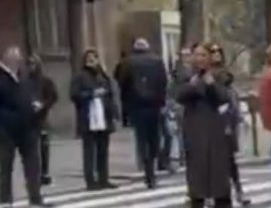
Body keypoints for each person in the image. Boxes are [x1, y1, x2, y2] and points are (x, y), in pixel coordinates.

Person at [175, 44, 234, 208]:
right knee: (196, 167)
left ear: (209, 58)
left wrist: (210, 85)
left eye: (203, 55)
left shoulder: (219, 75)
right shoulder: (186, 76)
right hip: (193, 124)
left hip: (215, 124)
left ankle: (222, 205)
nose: (199, 58)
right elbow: (179, 95)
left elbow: (223, 97)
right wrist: (193, 86)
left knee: (218, 166)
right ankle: (196, 206)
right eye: (197, 55)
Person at [0, 46, 51, 208]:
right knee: (5, 165)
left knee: (33, 163)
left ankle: (35, 197)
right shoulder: (2, 77)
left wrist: (34, 106)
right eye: (15, 57)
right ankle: (4, 201)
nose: (19, 60)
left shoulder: (22, 76)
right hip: (7, 129)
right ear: (6, 58)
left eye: (19, 57)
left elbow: (27, 95)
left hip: (28, 126)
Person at [123, 37, 168, 189]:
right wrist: (162, 102)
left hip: (137, 106)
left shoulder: (128, 62)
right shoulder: (157, 61)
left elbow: (123, 83)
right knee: (154, 137)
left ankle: (147, 167)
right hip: (154, 105)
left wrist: (126, 107)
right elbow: (163, 82)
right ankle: (152, 168)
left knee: (141, 138)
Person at [70, 49, 119, 190]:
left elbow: (110, 94)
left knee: (103, 150)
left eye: (94, 58)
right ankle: (90, 181)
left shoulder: (102, 75)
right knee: (89, 151)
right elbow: (74, 95)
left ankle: (104, 178)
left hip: (104, 117)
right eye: (89, 58)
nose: (91, 60)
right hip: (88, 118)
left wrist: (113, 113)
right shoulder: (80, 76)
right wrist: (91, 94)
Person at [210, 44, 250, 206]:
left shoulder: (225, 74)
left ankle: (238, 190)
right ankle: (213, 193)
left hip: (228, 119)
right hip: (213, 120)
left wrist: (237, 119)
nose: (216, 55)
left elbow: (231, 97)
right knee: (214, 159)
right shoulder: (206, 75)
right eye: (212, 52)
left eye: (218, 52)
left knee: (230, 159)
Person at [23, 55, 58, 187]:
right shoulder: (24, 82)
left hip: (42, 117)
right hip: (28, 118)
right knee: (31, 149)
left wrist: (43, 105)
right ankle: (33, 175)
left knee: (44, 146)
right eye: (29, 64)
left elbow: (53, 96)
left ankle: (44, 173)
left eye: (33, 64)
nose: (31, 66)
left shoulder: (45, 81)